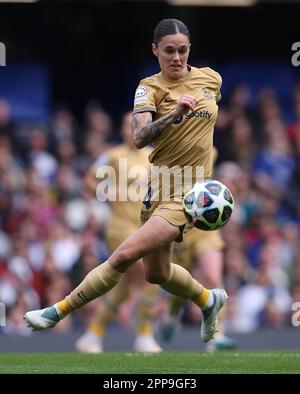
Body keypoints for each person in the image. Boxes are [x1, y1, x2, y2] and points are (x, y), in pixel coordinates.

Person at [24, 18, 228, 345]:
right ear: (155, 50)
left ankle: (57, 311)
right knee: (157, 274)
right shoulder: (149, 87)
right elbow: (138, 136)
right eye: (169, 51)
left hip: (188, 193)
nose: (177, 57)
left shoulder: (211, 79)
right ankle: (207, 299)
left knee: (121, 258)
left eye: (183, 50)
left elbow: (208, 128)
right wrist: (173, 115)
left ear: (190, 49)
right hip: (157, 191)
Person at [75, 112, 161, 353]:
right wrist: (106, 188)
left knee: (123, 286)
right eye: (129, 125)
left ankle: (93, 334)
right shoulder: (112, 155)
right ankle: (144, 335)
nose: (134, 130)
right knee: (150, 276)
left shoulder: (152, 156)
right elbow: (88, 181)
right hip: (120, 228)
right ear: (122, 130)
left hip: (146, 228)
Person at [161, 227, 237, 351]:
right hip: (179, 228)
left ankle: (217, 335)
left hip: (204, 224)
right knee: (180, 288)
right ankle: (171, 314)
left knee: (213, 278)